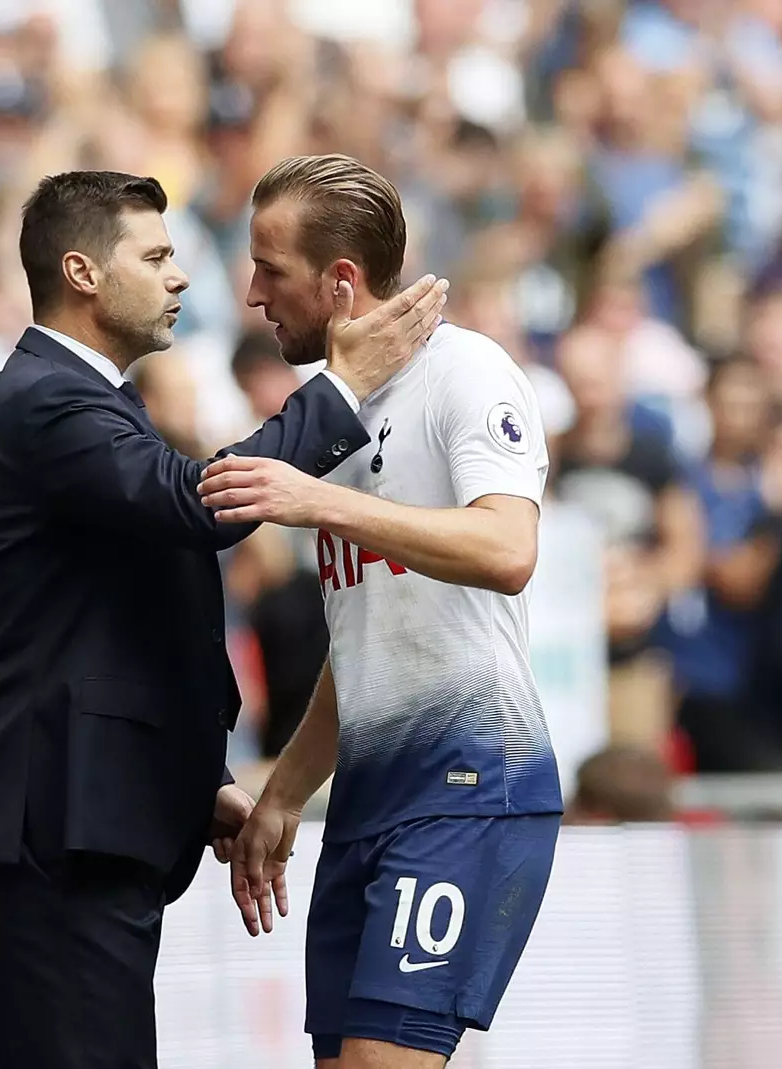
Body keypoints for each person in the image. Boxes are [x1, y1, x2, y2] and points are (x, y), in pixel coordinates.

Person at [0, 169, 448, 1069]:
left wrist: (193, 778)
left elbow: (110, 627)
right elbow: (197, 504)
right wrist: (341, 388)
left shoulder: (88, 402)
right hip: (56, 826)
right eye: (158, 255)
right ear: (84, 273)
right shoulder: (47, 397)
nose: (182, 278)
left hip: (86, 819)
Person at [198, 155, 560, 1068]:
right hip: (368, 798)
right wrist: (284, 795)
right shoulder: (340, 417)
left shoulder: (467, 371)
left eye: (270, 269)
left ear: (341, 282)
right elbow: (363, 645)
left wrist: (319, 502)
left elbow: (508, 550)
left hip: (471, 787)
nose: (251, 293)